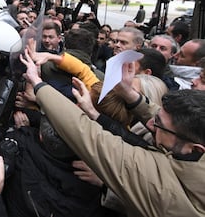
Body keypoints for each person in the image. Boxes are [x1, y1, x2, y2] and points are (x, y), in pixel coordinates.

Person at [21, 46, 205, 217]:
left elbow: (88, 135)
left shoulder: (167, 192)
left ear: (195, 149)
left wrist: (38, 86)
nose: (150, 123)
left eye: (159, 124)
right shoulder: (190, 152)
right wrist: (127, 94)